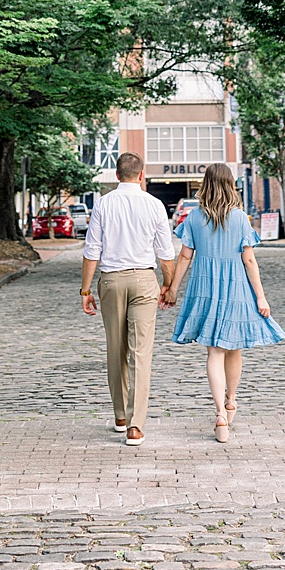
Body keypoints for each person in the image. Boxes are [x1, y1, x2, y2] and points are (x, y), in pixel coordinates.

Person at [163, 162, 285, 442]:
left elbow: (184, 257)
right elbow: (249, 259)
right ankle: (231, 400)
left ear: (205, 185)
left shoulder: (194, 218)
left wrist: (172, 289)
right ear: (231, 184)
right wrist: (260, 296)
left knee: (214, 353)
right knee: (233, 349)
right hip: (236, 288)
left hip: (205, 287)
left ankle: (220, 414)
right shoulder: (241, 218)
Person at [80, 150, 177, 446]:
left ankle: (120, 416)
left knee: (115, 348)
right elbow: (166, 253)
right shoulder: (154, 205)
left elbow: (91, 250)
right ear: (141, 175)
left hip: (111, 280)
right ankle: (136, 426)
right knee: (141, 352)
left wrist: (85, 290)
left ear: (117, 175)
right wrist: (168, 284)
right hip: (144, 279)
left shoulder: (103, 204)